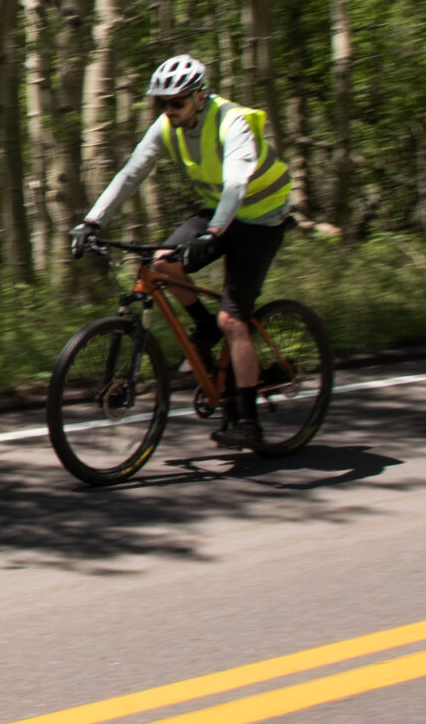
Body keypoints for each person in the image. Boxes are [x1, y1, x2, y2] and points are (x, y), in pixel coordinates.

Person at [69, 54, 294, 451]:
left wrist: (213, 232)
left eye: (177, 103)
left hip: (261, 218)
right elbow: (130, 173)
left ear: (201, 96)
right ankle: (203, 328)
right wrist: (92, 222)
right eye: (163, 103)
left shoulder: (233, 121)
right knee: (162, 263)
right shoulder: (166, 127)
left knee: (233, 319)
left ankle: (248, 423)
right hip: (219, 216)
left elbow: (236, 185)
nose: (168, 110)